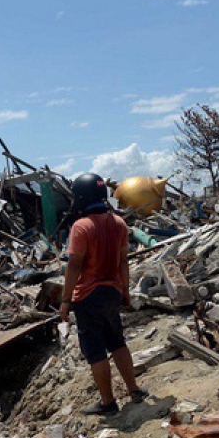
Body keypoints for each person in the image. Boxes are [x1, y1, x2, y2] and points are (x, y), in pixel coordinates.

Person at [60, 173, 147, 415]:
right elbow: (123, 262)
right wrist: (126, 291)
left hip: (88, 296)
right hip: (112, 292)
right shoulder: (119, 223)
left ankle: (108, 402)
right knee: (117, 342)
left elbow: (74, 265)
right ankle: (134, 390)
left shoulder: (81, 226)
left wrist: (65, 301)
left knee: (96, 351)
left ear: (80, 197)